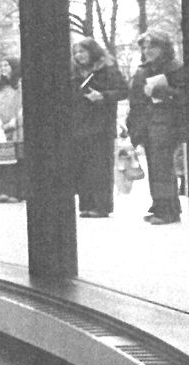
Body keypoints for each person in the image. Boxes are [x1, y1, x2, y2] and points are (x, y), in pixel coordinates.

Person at [127, 29, 185, 226]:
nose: (147, 50)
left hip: (167, 123)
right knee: (155, 166)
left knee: (163, 167)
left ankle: (167, 210)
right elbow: (135, 100)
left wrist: (160, 90)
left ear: (163, 47)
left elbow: (183, 96)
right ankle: (161, 205)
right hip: (148, 123)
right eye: (144, 46)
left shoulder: (175, 68)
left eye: (152, 45)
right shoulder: (144, 69)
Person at [71, 37, 128, 219]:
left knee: (100, 167)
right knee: (82, 166)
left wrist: (102, 96)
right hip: (79, 125)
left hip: (101, 125)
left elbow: (123, 91)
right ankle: (86, 204)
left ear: (92, 51)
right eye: (76, 53)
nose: (79, 56)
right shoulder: (75, 72)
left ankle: (102, 206)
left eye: (83, 51)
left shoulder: (108, 69)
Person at [0, 57, 25, 204]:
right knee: (3, 160)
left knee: (17, 160)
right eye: (2, 65)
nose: (3, 68)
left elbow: (23, 106)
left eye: (7, 66)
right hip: (1, 128)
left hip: (17, 127)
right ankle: (3, 192)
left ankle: (17, 192)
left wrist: (13, 123)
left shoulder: (20, 84)